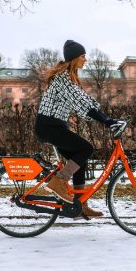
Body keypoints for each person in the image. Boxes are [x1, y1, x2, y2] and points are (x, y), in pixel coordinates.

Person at [34, 40, 118, 218]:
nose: (85, 60)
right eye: (82, 56)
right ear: (73, 58)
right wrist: (107, 121)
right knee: (86, 148)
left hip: (54, 126)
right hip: (49, 126)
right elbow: (80, 102)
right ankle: (59, 182)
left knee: (80, 160)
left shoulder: (69, 77)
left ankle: (80, 206)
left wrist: (106, 119)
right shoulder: (62, 78)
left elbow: (84, 100)